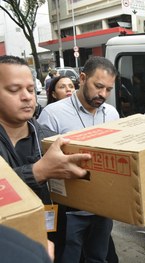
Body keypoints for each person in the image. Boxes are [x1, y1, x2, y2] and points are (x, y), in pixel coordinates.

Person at [0, 55, 92, 262]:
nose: (27, 97)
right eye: (14, 90)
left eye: (31, 90)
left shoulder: (50, 139)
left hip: (51, 241)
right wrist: (39, 172)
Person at [38, 56, 120, 263]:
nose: (103, 94)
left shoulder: (112, 114)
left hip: (103, 206)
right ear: (82, 78)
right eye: (98, 86)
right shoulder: (53, 114)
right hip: (69, 211)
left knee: (98, 257)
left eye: (108, 89)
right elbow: (43, 162)